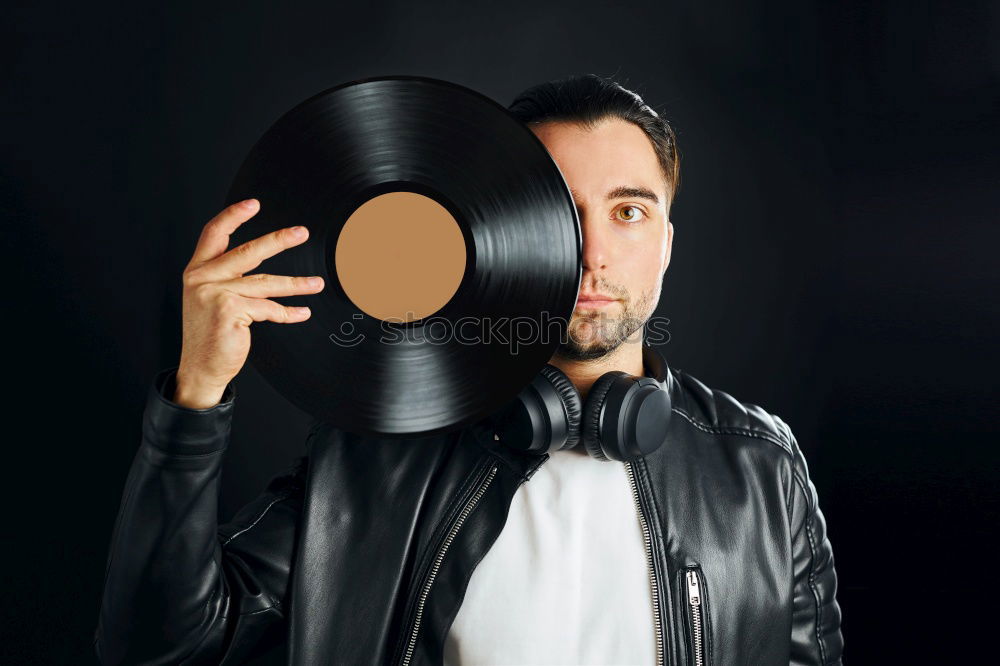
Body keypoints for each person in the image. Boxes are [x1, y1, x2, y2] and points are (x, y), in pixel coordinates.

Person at [94, 74, 843, 665]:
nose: (593, 251)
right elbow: (162, 647)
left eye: (628, 211)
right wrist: (197, 396)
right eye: (557, 207)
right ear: (498, 225)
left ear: (667, 244)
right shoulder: (376, 459)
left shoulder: (763, 468)